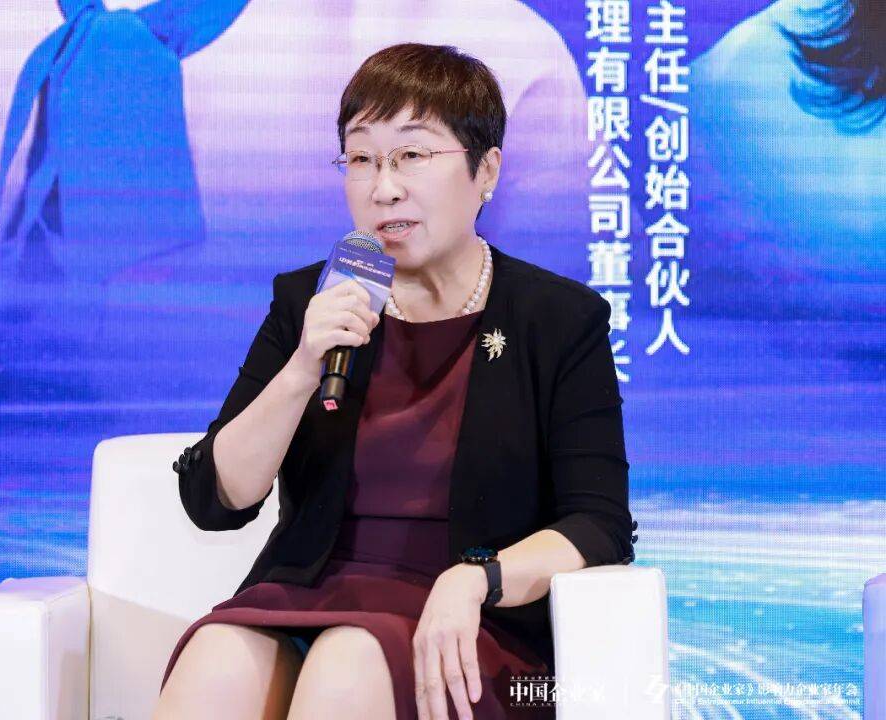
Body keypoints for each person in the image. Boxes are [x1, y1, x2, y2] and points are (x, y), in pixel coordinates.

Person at [154, 43, 635, 720]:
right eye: (361, 158)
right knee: (218, 658)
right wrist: (302, 367)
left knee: (349, 662)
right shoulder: (310, 304)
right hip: (306, 595)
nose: (384, 187)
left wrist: (481, 579)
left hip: (470, 625)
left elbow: (599, 524)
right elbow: (214, 499)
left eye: (412, 155)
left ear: (486, 170)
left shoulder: (556, 319)